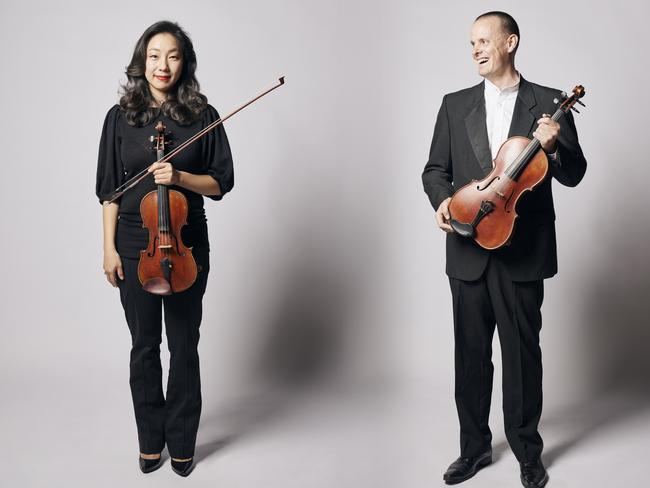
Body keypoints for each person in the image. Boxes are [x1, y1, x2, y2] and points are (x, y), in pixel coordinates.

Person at [421, 11, 586, 488]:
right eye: (471, 43)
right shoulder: (454, 104)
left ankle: (528, 454)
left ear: (510, 42)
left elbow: (574, 173)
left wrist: (554, 148)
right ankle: (473, 450)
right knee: (470, 358)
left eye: (483, 40)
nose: (475, 49)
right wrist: (442, 203)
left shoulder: (550, 103)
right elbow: (434, 170)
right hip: (469, 247)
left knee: (521, 356)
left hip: (523, 251)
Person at [96, 20, 234, 477]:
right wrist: (108, 250)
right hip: (135, 245)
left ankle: (182, 440)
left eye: (172, 55)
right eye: (154, 55)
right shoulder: (121, 117)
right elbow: (110, 191)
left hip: (187, 243)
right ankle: (150, 439)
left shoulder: (202, 115)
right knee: (144, 346)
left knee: (184, 344)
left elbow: (220, 182)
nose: (163, 65)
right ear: (142, 61)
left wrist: (179, 177)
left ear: (184, 63)